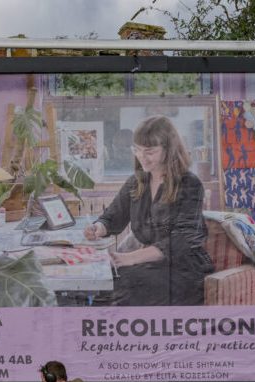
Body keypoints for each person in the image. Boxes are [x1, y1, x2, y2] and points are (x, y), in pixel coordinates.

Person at [84, 115, 214, 305]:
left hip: (184, 272)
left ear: (168, 150)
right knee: (103, 282)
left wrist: (129, 258)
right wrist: (98, 227)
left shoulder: (190, 184)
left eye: (149, 151)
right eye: (137, 150)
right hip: (151, 267)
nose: (141, 157)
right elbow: (112, 217)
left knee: (120, 285)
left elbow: (180, 242)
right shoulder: (137, 182)